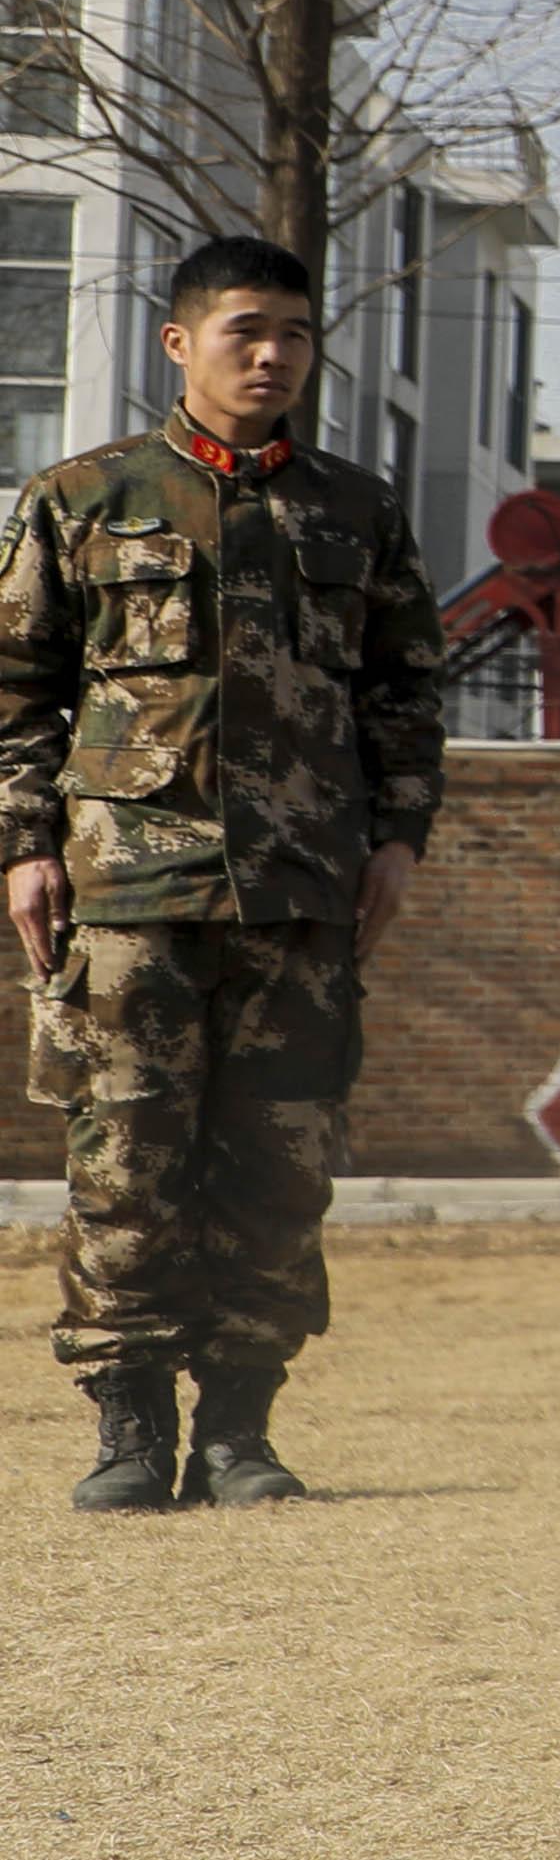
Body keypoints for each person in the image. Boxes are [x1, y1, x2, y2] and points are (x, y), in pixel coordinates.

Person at [0, 235, 447, 1512]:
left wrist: (401, 834)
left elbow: (405, 690)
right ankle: (131, 1428)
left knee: (279, 1164)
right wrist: (25, 844)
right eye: (246, 329)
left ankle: (241, 1431)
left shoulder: (358, 512)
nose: (273, 355)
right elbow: (17, 688)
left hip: (304, 890)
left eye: (296, 335)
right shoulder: (82, 498)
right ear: (179, 342)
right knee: (124, 1160)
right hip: (129, 887)